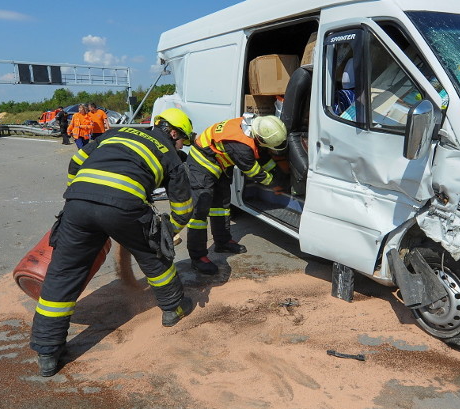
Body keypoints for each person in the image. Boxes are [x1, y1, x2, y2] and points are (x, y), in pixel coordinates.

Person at [29, 108, 196, 377]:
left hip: (78, 204)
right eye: (182, 140)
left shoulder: (115, 133)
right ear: (173, 132)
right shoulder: (169, 155)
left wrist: (82, 196)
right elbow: (184, 207)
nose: (181, 146)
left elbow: (75, 164)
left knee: (64, 273)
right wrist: (167, 232)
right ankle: (174, 308)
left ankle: (47, 352)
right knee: (155, 259)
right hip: (125, 207)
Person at [186, 114, 287, 274]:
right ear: (260, 137)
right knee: (200, 213)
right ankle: (198, 257)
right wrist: (275, 182)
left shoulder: (255, 125)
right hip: (202, 165)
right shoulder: (241, 147)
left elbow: (262, 155)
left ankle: (223, 242)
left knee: (221, 206)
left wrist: (275, 170)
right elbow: (255, 172)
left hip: (220, 163)